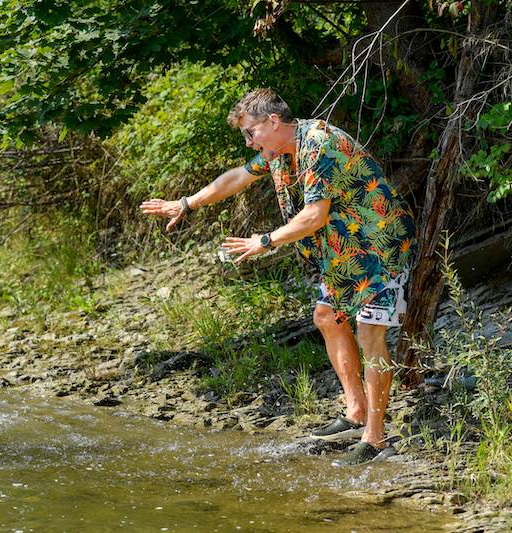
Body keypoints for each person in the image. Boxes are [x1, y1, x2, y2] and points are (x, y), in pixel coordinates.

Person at [140, 88, 416, 466]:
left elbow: (314, 216)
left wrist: (265, 241)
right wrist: (187, 203)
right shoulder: (276, 152)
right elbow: (237, 176)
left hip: (379, 244)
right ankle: (355, 413)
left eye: (251, 132)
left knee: (369, 331)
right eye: (245, 136)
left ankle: (375, 437)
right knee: (327, 317)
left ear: (273, 121)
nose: (250, 141)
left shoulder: (318, 144)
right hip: (343, 252)